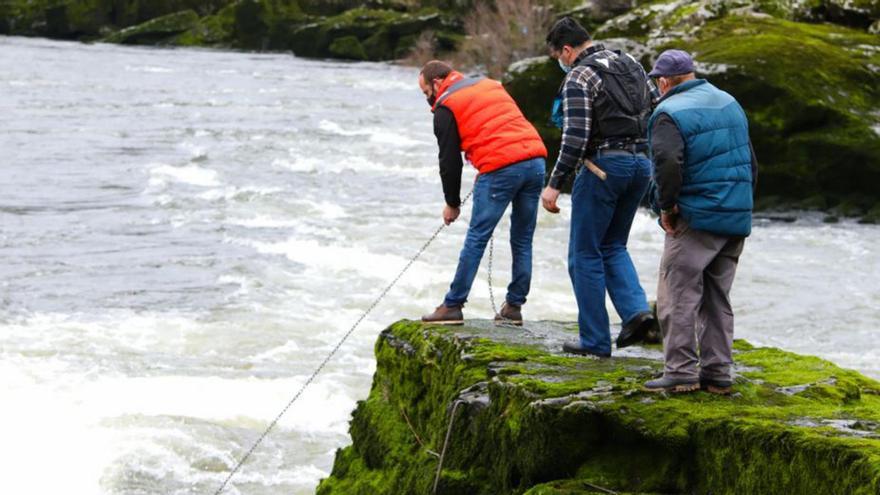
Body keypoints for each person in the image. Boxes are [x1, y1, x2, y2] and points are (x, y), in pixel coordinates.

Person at [642, 50, 758, 394]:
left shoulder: (668, 112)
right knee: (718, 296)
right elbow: (750, 162)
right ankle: (718, 372)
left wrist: (666, 209)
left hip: (696, 216)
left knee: (678, 294)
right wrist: (742, 205)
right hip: (735, 215)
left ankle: (680, 371)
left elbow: (667, 165)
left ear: (663, 82)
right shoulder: (729, 102)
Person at [541, 17, 657, 357]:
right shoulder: (632, 63)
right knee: (613, 245)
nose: (560, 64)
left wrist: (554, 184)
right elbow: (656, 110)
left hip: (602, 168)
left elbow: (575, 136)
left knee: (584, 254)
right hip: (641, 165)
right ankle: (637, 313)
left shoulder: (580, 75)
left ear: (566, 50)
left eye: (558, 57)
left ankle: (594, 341)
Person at [418, 60, 548, 326]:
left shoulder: (445, 106)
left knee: (477, 237)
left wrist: (452, 204)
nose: (428, 100)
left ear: (437, 84)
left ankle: (453, 305)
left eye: (426, 93)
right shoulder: (490, 85)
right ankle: (514, 307)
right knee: (522, 239)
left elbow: (449, 161)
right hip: (536, 160)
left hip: (500, 167)